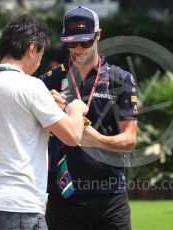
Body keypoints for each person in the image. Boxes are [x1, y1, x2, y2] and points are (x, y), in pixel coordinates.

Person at [0, 14, 89, 230]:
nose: (39, 61)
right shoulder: (31, 86)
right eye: (41, 54)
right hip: (20, 208)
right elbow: (72, 136)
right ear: (32, 48)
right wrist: (76, 109)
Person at [40, 6, 138, 230]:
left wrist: (94, 138)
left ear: (98, 35)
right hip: (63, 194)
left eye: (85, 42)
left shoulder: (119, 79)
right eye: (72, 43)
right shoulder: (49, 81)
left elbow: (130, 140)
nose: (78, 48)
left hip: (110, 195)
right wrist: (47, 111)